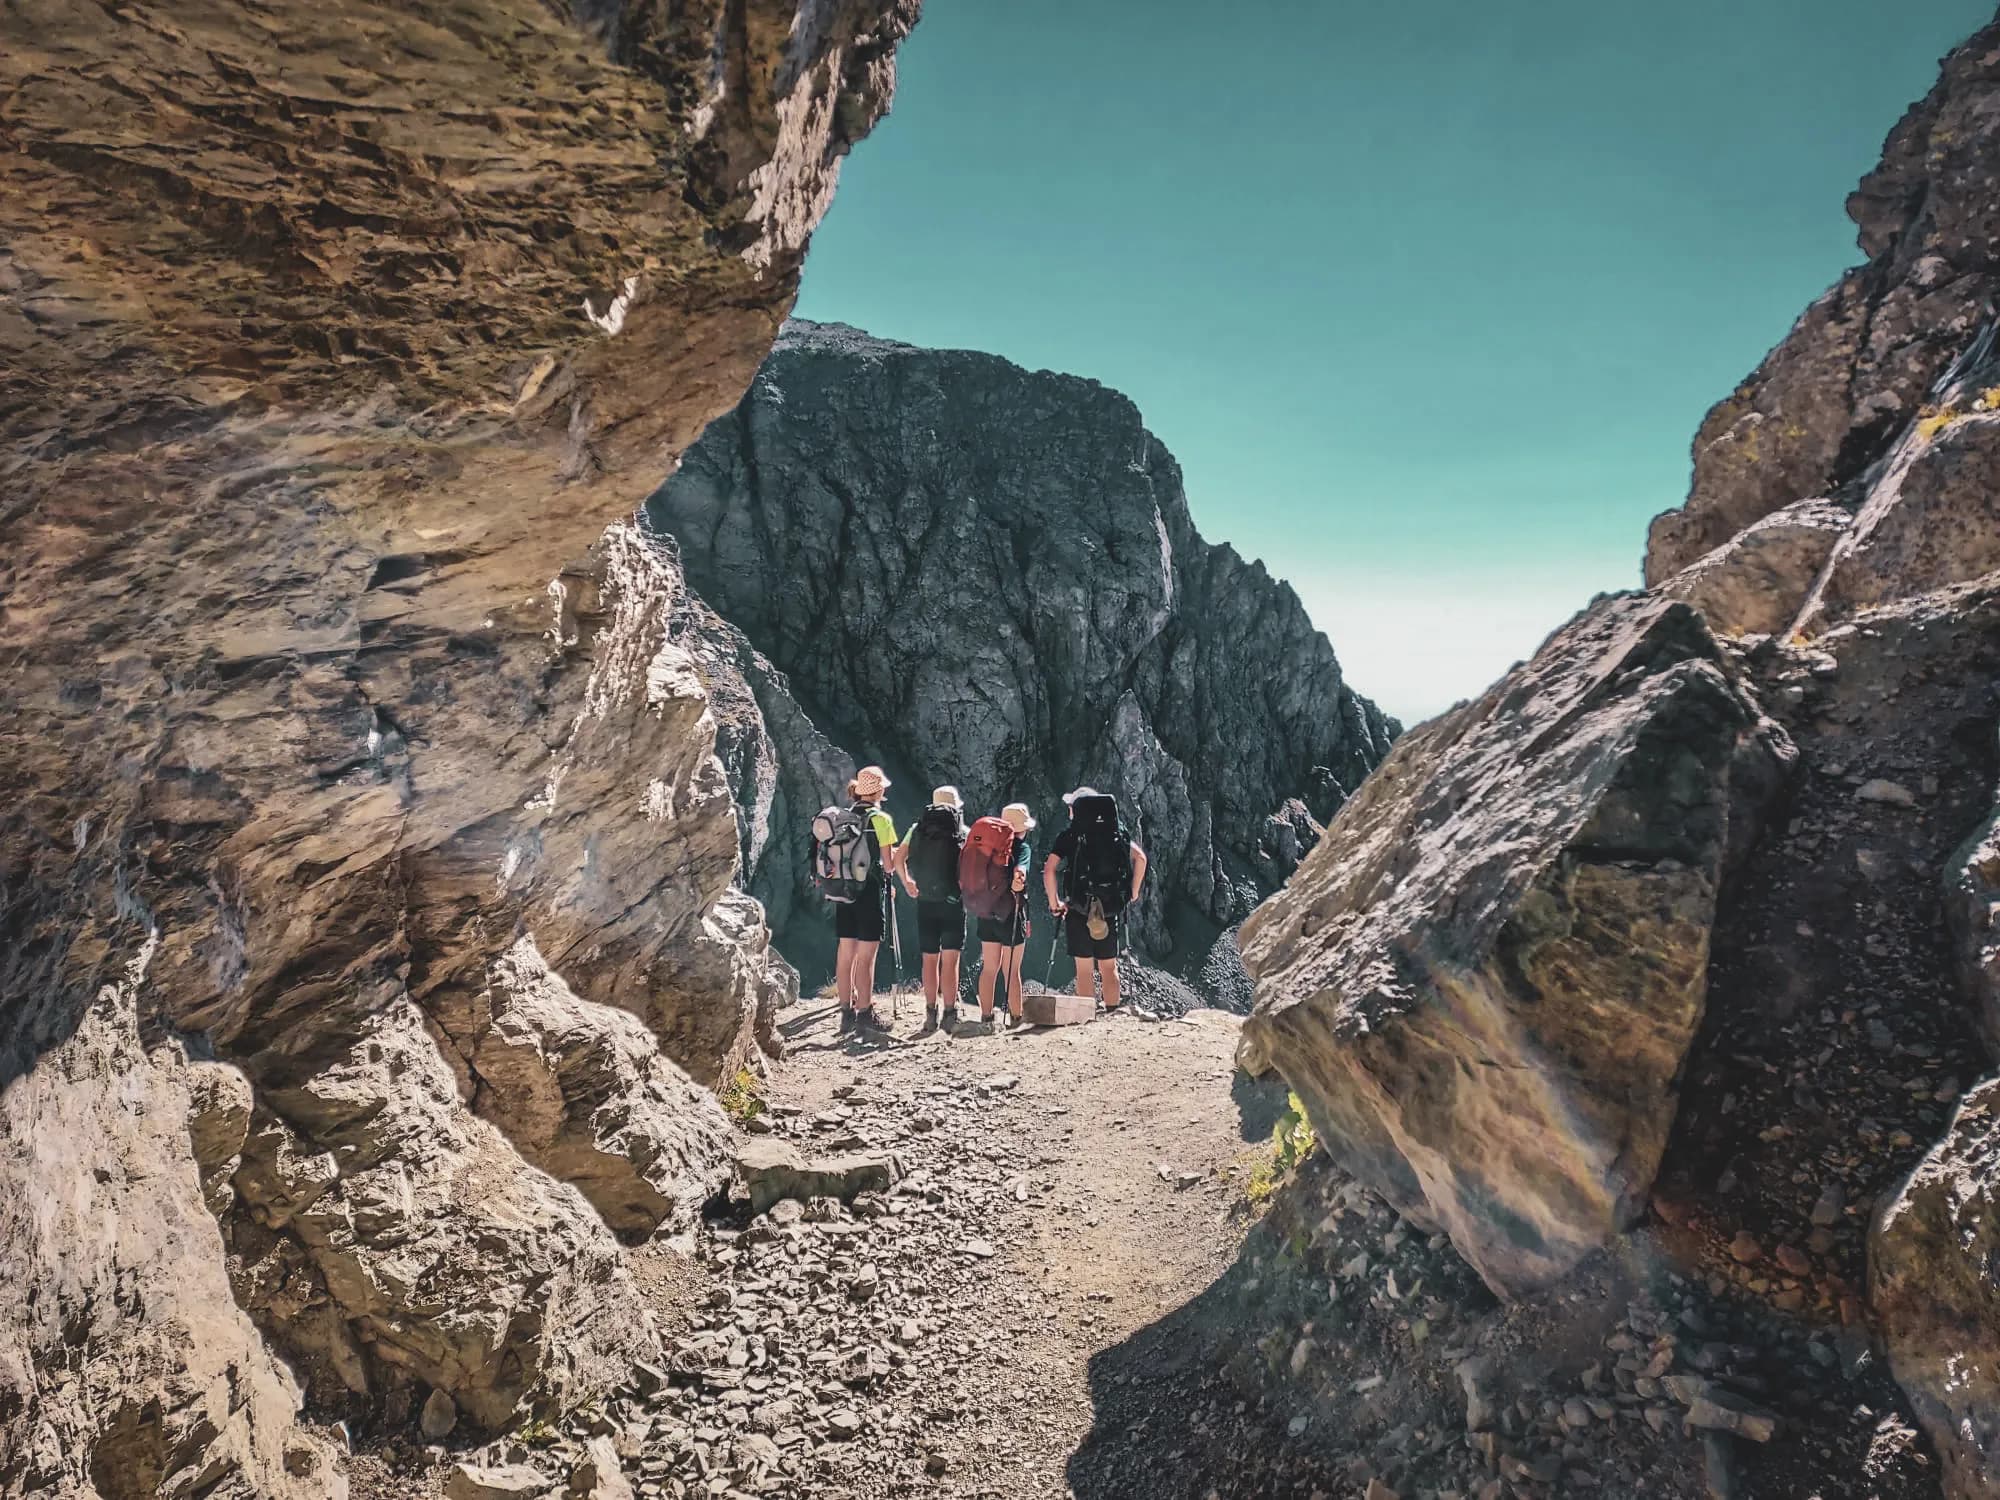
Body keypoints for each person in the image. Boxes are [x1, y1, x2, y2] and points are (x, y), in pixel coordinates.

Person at [1042, 786, 1148, 1015]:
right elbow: (1140, 858)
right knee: (1109, 967)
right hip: (1109, 907)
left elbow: (1049, 869)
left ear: (1077, 809)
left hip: (1079, 907)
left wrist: (1054, 902)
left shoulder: (1070, 835)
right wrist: (1133, 892)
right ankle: (1112, 1012)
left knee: (1084, 969)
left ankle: (1086, 1015)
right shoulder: (1116, 832)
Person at [834, 765, 901, 1033]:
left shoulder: (842, 818)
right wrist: (898, 853)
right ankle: (865, 1014)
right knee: (866, 958)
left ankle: (845, 1014)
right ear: (878, 791)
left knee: (845, 954)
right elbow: (888, 866)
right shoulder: (881, 820)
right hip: (870, 893)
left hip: (844, 892)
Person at [898, 785, 967, 1031]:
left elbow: (899, 858)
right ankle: (950, 1012)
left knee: (929, 960)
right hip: (953, 903)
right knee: (951, 961)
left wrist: (907, 882)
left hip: (925, 901)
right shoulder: (962, 831)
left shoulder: (916, 829)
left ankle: (930, 1014)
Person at [973, 802, 1035, 1027]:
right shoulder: (1022, 848)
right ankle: (1016, 1018)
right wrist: (1018, 882)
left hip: (986, 912)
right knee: (1012, 971)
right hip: (1010, 913)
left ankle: (986, 1017)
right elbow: (1021, 872)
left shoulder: (987, 845)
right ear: (1022, 829)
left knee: (990, 968)